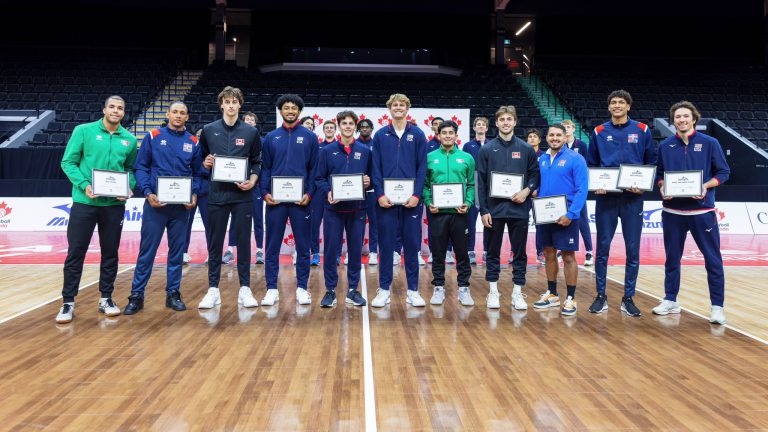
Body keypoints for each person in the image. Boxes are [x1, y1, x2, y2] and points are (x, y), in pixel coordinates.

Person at [56, 95, 138, 323]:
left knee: (110, 253)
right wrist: (84, 185)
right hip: (85, 203)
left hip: (114, 206)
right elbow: (68, 162)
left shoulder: (130, 140)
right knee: (76, 252)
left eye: (120, 108)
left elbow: (130, 169)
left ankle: (106, 298)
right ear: (104, 110)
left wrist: (128, 187)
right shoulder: (84, 131)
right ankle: (68, 302)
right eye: (112, 107)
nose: (116, 111)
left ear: (124, 112)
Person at [652, 101, 730, 325]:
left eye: (686, 116)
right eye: (678, 117)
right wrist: (662, 186)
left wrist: (705, 186)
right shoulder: (666, 145)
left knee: (713, 260)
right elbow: (659, 174)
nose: (682, 120)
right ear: (673, 121)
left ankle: (717, 307)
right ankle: (670, 300)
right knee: (672, 259)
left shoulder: (710, 143)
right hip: (672, 211)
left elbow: (723, 172)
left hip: (702, 212)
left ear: (694, 118)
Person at [124, 101, 202, 314]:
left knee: (176, 253)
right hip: (155, 205)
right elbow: (141, 167)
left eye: (182, 113)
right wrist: (147, 192)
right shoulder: (153, 136)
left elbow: (198, 173)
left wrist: (194, 193)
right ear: (168, 114)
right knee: (147, 252)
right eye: (174, 112)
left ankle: (173, 293)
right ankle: (136, 295)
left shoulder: (193, 141)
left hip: (180, 208)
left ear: (187, 117)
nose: (178, 115)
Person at [586, 90, 657, 317]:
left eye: (621, 102)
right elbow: (591, 163)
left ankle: (628, 298)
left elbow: (651, 162)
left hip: (632, 198)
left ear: (628, 106)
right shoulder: (599, 131)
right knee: (602, 248)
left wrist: (643, 185)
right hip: (606, 197)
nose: (617, 105)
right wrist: (596, 184)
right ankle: (601, 295)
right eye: (613, 102)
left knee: (632, 249)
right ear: (609, 107)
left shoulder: (642, 130)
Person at [197, 86, 262, 310]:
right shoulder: (208, 130)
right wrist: (206, 164)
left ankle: (245, 289)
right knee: (215, 243)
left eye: (235, 101)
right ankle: (213, 289)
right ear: (221, 104)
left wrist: (252, 180)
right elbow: (201, 160)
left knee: (243, 242)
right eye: (227, 101)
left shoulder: (251, 132)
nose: (231, 105)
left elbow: (257, 162)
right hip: (216, 194)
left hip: (242, 195)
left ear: (240, 104)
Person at [476, 106, 540, 310]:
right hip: (493, 211)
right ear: (496, 123)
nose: (505, 122)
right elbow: (480, 182)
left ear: (515, 122)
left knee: (519, 253)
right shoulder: (486, 149)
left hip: (519, 209)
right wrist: (483, 210)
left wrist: (526, 191)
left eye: (509, 119)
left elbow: (535, 175)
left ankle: (517, 293)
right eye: (502, 119)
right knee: (492, 252)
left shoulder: (526, 148)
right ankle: (493, 291)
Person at [370, 93, 428, 308]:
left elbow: (422, 167)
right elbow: (375, 167)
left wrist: (417, 195)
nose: (398, 108)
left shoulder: (418, 134)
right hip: (386, 201)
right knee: (386, 246)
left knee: (412, 246)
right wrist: (379, 194)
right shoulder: (380, 135)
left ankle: (413, 291)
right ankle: (384, 290)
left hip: (411, 201)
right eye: (395, 105)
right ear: (389, 108)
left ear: (407, 108)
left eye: (402, 105)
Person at [260, 94, 318, 306]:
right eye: (286, 108)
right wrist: (265, 192)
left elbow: (314, 170)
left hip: (300, 202)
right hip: (275, 201)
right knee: (272, 247)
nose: (290, 111)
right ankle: (271, 289)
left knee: (303, 247)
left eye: (294, 108)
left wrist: (309, 194)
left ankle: (302, 288)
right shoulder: (271, 137)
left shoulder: (310, 137)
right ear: (280, 110)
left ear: (299, 112)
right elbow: (265, 167)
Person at [314, 110, 371, 307]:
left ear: (355, 127)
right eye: (344, 123)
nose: (348, 126)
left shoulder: (365, 151)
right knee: (331, 251)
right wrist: (328, 191)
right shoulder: (327, 151)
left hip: (357, 209)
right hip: (333, 210)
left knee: (355, 251)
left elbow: (371, 179)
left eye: (351, 123)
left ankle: (353, 290)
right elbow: (319, 178)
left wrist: (368, 182)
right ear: (339, 126)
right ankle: (330, 290)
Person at [532, 124, 588, 316]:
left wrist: (571, 214)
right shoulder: (542, 159)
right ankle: (553, 294)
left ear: (565, 138)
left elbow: (582, 189)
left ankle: (571, 298)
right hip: (544, 214)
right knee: (548, 253)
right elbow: (538, 183)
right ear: (546, 138)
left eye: (558, 135)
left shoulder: (576, 158)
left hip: (566, 215)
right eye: (551, 135)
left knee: (568, 256)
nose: (554, 138)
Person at [422, 120, 475, 306]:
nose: (447, 136)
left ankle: (464, 288)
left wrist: (468, 203)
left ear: (456, 136)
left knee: (462, 252)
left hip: (460, 213)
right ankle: (438, 287)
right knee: (438, 253)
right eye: (444, 133)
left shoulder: (467, 158)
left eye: (450, 133)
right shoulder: (429, 157)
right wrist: (429, 202)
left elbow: (471, 184)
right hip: (437, 213)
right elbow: (425, 185)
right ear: (438, 136)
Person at [221, 111, 265, 265]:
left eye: (252, 120)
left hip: (255, 185)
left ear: (255, 123)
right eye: (247, 119)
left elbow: (263, 164)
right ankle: (230, 250)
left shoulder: (263, 141)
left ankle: (259, 250)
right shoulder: (235, 138)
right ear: (243, 122)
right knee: (235, 219)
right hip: (236, 185)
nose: (250, 121)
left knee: (258, 219)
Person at [562, 119, 594, 266]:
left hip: (578, 190)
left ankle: (589, 251)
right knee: (562, 219)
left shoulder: (581, 145)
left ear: (573, 128)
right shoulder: (559, 145)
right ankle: (561, 249)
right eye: (564, 127)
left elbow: (585, 167)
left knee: (582, 221)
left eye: (568, 127)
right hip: (563, 190)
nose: (566, 129)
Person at [310, 120, 339, 266]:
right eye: (326, 127)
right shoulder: (318, 147)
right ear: (323, 130)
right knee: (314, 224)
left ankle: (336, 254)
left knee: (335, 225)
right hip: (319, 191)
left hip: (336, 192)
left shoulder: (339, 146)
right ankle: (315, 253)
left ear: (335, 130)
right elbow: (315, 170)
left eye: (331, 127)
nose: (329, 129)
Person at [461, 116, 489, 266]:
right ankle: (470, 250)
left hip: (488, 185)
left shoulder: (492, 144)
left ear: (487, 128)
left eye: (483, 124)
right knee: (470, 222)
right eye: (478, 124)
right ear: (474, 128)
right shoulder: (468, 145)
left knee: (488, 221)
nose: (481, 126)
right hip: (472, 184)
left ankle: (487, 251)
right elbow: (463, 166)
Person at [425, 116, 449, 265]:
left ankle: (448, 251)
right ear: (433, 127)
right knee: (433, 227)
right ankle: (433, 252)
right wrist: (428, 199)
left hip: (453, 198)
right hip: (435, 199)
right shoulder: (428, 146)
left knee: (451, 227)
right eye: (436, 124)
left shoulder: (455, 148)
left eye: (441, 123)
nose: (438, 125)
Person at [357, 118, 380, 265]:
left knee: (374, 222)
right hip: (356, 191)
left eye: (367, 127)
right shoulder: (354, 144)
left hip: (373, 190)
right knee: (357, 222)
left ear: (371, 129)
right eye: (362, 127)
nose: (365, 129)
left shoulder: (376, 144)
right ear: (358, 129)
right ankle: (354, 251)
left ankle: (373, 252)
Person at [527, 128, 546, 265]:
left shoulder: (545, 156)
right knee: (519, 224)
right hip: (525, 194)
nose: (532, 138)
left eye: (535, 136)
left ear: (539, 140)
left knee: (540, 225)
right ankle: (515, 251)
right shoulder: (523, 154)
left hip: (539, 195)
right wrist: (527, 189)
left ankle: (541, 252)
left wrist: (537, 189)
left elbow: (545, 176)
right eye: (530, 136)